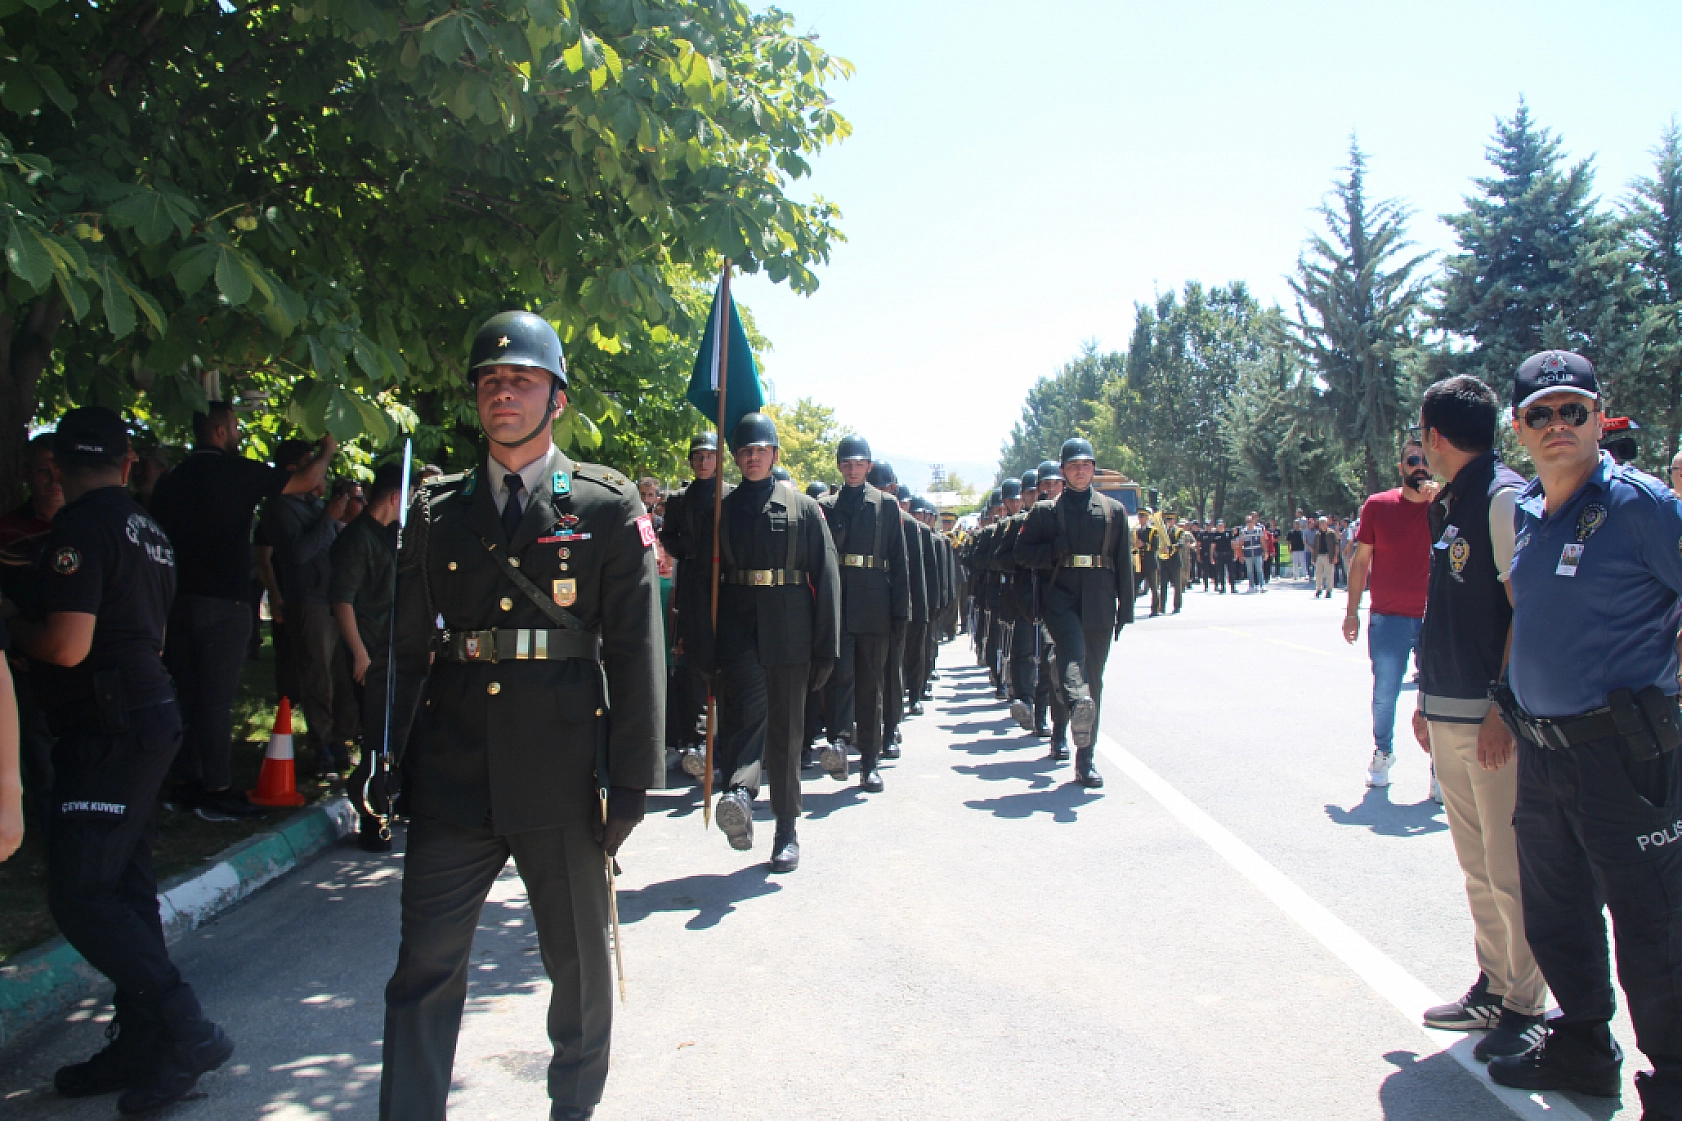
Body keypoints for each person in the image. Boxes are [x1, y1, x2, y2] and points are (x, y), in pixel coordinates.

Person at [380, 311, 665, 1121]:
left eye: (523, 379)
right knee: (422, 972)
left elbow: (638, 653)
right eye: (489, 380)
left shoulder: (606, 506)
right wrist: (382, 756)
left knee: (578, 976)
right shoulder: (436, 510)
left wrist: (634, 781)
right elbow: (405, 650)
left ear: (558, 399)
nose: (503, 391)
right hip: (453, 771)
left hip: (564, 773)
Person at [1479, 350, 1682, 1116]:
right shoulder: (1527, 510)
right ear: (1519, 427)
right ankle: (1585, 1049)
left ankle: (1675, 1080)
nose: (1559, 424)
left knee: (1655, 925)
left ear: (1602, 417)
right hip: (1545, 752)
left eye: (1575, 410)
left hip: (1625, 755)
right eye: (1541, 413)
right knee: (1555, 912)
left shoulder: (1643, 505)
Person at [16, 407, 234, 1114]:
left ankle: (186, 1027)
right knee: (128, 890)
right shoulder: (151, 532)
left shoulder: (80, 528)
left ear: (55, 466)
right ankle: (145, 1041)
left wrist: (10, 626)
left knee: (81, 892)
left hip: (108, 727)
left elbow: (69, 645)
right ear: (129, 460)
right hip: (147, 717)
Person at [1406, 375, 1547, 1061]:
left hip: (1492, 719)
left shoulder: (1501, 499)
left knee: (1508, 862)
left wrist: (1502, 705)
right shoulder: (1453, 502)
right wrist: (1427, 700)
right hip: (1451, 711)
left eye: (1423, 435)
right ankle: (1495, 983)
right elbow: (1448, 608)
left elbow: (1527, 609)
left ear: (1436, 435)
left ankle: (1527, 1000)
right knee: (1476, 863)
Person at [152, 402, 335, 821]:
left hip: (177, 598)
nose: (238, 434)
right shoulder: (236, 472)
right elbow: (306, 480)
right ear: (219, 432)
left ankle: (182, 779)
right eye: (234, 427)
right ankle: (216, 785)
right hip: (225, 601)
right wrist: (327, 448)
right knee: (215, 699)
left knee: (184, 692)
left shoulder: (172, 480)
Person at [708, 411, 840, 865]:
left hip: (790, 629)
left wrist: (827, 645)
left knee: (786, 732)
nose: (752, 458)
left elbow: (826, 577)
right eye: (745, 451)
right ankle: (740, 797)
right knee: (744, 717)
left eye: (761, 451)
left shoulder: (802, 508)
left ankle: (786, 828)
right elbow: (705, 580)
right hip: (739, 625)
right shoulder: (723, 509)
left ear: (775, 455)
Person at [1013, 438, 1134, 788]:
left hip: (1099, 597)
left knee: (1093, 676)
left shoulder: (1112, 511)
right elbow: (1022, 554)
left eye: (1086, 464)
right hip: (1060, 596)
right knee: (1070, 658)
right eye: (1073, 465)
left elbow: (1123, 562)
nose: (1080, 470)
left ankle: (1085, 759)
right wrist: (1052, 550)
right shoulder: (1046, 512)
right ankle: (1071, 711)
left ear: (1093, 469)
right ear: (1063, 471)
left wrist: (1125, 609)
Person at [329, 462, 414, 853]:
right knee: (374, 739)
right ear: (394, 497)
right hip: (368, 652)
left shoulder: (391, 537)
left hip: (391, 651)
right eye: (408, 497)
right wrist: (359, 653)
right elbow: (342, 601)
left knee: (390, 734)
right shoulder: (357, 539)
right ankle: (370, 812)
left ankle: (388, 803)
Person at [817, 435, 909, 795]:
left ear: (869, 467)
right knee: (839, 678)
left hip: (874, 603)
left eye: (859, 463)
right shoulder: (825, 506)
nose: (853, 469)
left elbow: (899, 563)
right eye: (847, 463)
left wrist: (902, 611)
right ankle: (838, 743)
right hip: (838, 600)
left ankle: (869, 760)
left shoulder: (886, 506)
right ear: (839, 466)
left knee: (871, 685)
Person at [1341, 440, 1433, 789]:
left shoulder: (1444, 505)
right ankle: (1382, 752)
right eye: (1413, 460)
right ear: (1402, 468)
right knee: (1386, 692)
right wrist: (1352, 612)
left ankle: (1439, 768)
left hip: (1434, 617)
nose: (1420, 467)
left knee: (1437, 694)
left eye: (1425, 460)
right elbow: (1361, 561)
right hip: (1388, 616)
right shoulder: (1378, 506)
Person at [262, 440, 353, 778]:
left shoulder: (315, 506)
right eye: (310, 466)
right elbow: (296, 555)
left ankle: (341, 737)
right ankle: (321, 744)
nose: (320, 476)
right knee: (317, 676)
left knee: (342, 675)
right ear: (292, 471)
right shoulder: (279, 507)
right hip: (309, 600)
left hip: (333, 598)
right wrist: (327, 520)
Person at [0, 433, 64, 821]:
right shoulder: (7, 530)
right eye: (43, 470)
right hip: (26, 659)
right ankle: (48, 821)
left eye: (59, 470)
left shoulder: (89, 526)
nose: (52, 480)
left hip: (84, 654)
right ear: (26, 474)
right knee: (39, 742)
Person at [659, 433, 730, 780]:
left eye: (709, 456)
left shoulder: (730, 496)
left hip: (727, 591)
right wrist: (687, 547)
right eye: (697, 457)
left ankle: (724, 745)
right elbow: (667, 536)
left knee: (727, 668)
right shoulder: (678, 500)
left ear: (719, 460)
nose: (703, 462)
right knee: (696, 667)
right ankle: (698, 744)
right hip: (693, 590)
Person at [1159, 511, 1187, 614]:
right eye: (1167, 520)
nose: (1168, 522)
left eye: (1171, 519)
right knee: (1163, 585)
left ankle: (1177, 606)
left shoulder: (1179, 531)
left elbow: (1181, 544)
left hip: (1174, 561)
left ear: (1174, 520)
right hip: (1164, 562)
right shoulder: (1162, 532)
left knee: (1177, 585)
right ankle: (1161, 606)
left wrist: (1170, 548)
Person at [1239, 512, 1267, 593]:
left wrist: (1265, 552)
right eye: (1247, 521)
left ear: (1253, 521)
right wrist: (1241, 554)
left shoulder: (1258, 530)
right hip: (1248, 554)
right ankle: (1251, 586)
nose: (1249, 523)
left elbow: (1262, 541)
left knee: (1259, 570)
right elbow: (1241, 543)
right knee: (1250, 571)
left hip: (1257, 552)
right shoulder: (1243, 531)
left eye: (1250, 521)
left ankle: (1262, 586)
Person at [1311, 515, 1337, 597]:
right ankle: (1319, 589)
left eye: (1323, 523)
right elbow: (1314, 547)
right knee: (1318, 574)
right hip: (1319, 556)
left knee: (1329, 574)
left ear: (1326, 523)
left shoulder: (1331, 533)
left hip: (1328, 555)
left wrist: (1335, 556)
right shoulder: (1317, 534)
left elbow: (1336, 545)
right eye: (1320, 523)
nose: (1321, 524)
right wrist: (1313, 557)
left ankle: (1329, 590)